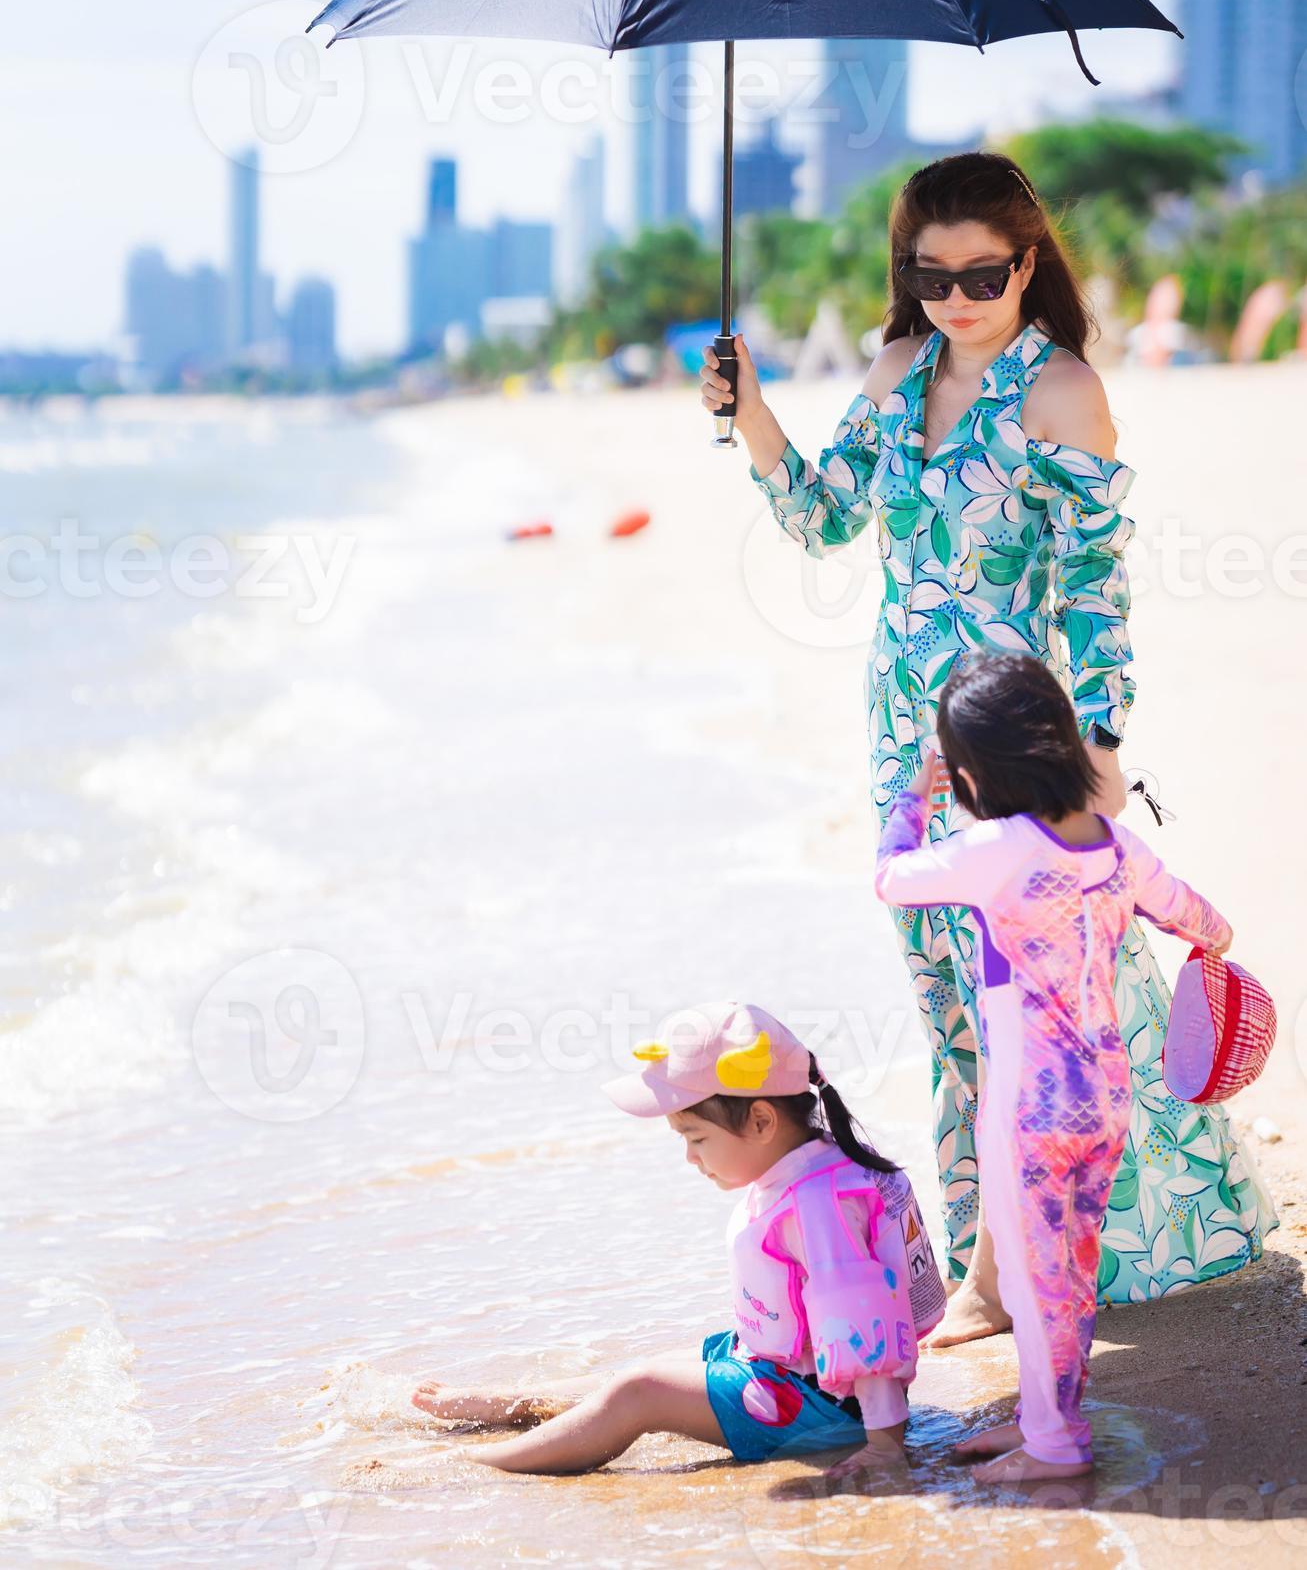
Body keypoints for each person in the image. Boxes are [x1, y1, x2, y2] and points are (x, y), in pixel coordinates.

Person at [701, 151, 1273, 1340]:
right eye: (929, 272)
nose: (956, 295)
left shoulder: (1056, 388)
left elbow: (1094, 586)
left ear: (1026, 263)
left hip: (1011, 729)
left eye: (982, 272)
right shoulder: (898, 367)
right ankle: (998, 1249)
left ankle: (997, 1280)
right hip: (898, 720)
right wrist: (748, 407)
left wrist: (1099, 738)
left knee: (1033, 999)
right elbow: (818, 519)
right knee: (945, 1001)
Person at [874, 650, 1236, 1482]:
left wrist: (914, 796)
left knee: (1040, 1282)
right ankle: (1043, 1418)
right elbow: (1205, 924)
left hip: (1030, 1102)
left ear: (974, 770)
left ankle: (1054, 1444)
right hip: (1105, 1092)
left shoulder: (994, 847)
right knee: (1067, 1269)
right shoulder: (1115, 845)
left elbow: (891, 880)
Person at [411, 1001, 945, 1474]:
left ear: (761, 1120)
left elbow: (863, 1326)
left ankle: (474, 1464)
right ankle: (517, 1406)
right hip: (804, 1383)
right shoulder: (813, 1169)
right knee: (657, 1371)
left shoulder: (819, 1205)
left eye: (695, 1137)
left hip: (822, 1411)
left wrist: (883, 1446)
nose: (690, 1157)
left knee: (640, 1391)